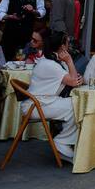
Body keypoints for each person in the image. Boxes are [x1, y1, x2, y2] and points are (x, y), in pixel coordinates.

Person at [27, 30, 82, 161]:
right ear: (62, 46)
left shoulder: (55, 61)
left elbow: (76, 79)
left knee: (77, 104)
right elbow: (74, 82)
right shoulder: (50, 64)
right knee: (78, 106)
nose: (69, 46)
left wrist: (75, 76)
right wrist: (70, 62)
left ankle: (64, 141)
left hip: (45, 101)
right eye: (67, 43)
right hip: (37, 105)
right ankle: (62, 141)